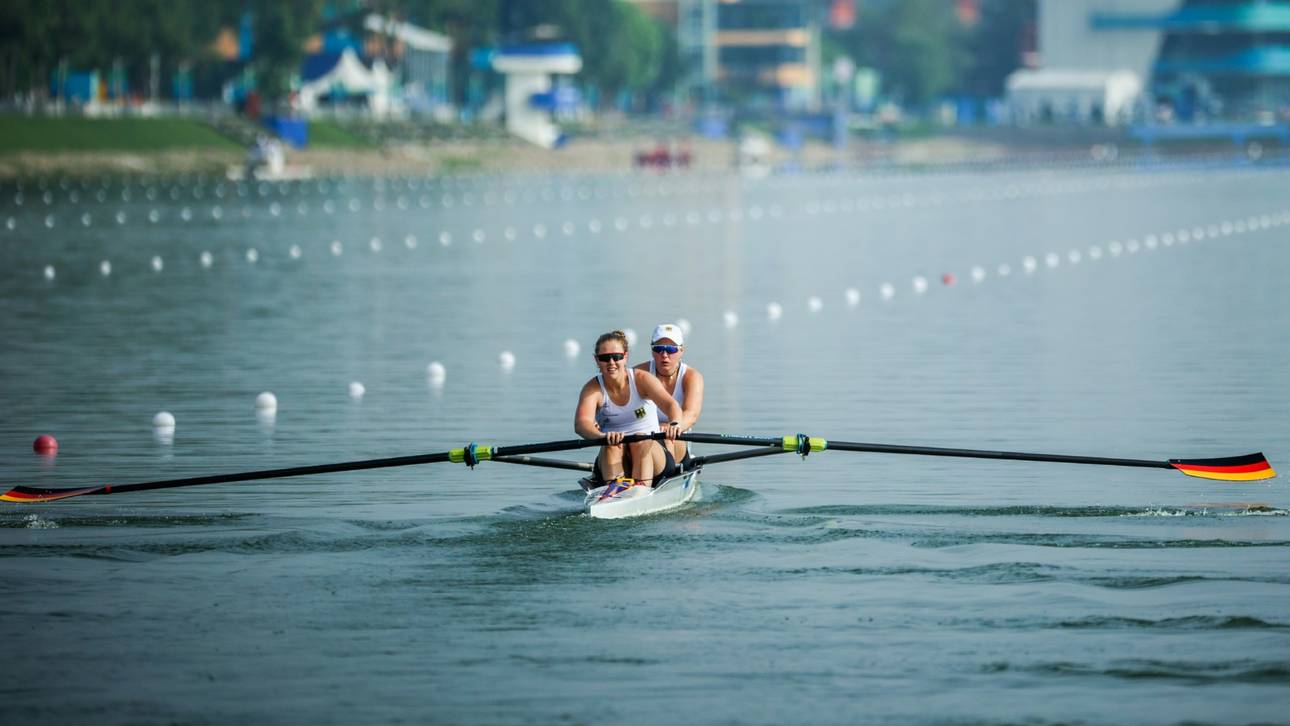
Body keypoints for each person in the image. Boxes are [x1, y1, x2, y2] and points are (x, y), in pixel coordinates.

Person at [574, 330, 682, 490]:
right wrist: (602, 436)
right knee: (612, 445)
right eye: (605, 358)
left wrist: (675, 423)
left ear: (625, 357)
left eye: (616, 357)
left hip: (652, 455)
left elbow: (671, 406)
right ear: (596, 360)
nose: (611, 362)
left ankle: (640, 490)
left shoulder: (641, 380)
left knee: (639, 439)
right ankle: (615, 492)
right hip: (614, 453)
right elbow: (581, 424)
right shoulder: (592, 389)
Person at [636, 323, 704, 469]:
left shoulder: (691, 377)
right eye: (659, 349)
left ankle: (666, 478)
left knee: (667, 438)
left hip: (675, 439)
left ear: (681, 351)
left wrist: (673, 426)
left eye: (671, 349)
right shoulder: (639, 374)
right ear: (652, 351)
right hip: (643, 436)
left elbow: (691, 415)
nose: (664, 355)